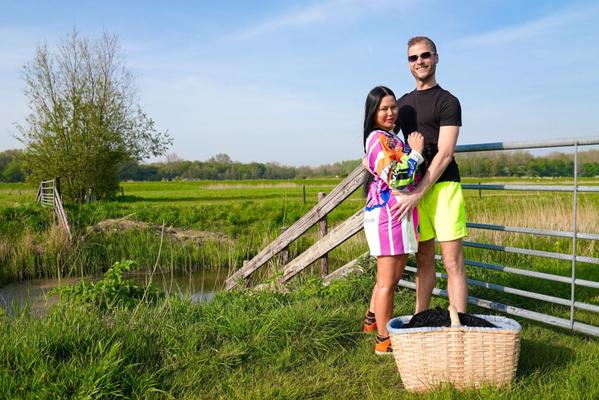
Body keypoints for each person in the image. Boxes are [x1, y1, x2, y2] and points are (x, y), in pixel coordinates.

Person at [391, 36, 468, 314]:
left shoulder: (448, 101)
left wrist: (419, 192)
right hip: (414, 190)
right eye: (413, 58)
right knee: (423, 260)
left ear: (436, 58)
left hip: (443, 187)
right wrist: (368, 155)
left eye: (425, 56)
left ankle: (459, 325)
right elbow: (385, 138)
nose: (420, 62)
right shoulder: (403, 104)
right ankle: (419, 319)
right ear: (408, 64)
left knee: (452, 262)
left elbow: (445, 153)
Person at [361, 85, 424, 354]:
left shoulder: (388, 138)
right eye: (383, 108)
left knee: (388, 278)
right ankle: (383, 342)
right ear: (373, 112)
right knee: (388, 281)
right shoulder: (378, 138)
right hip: (388, 215)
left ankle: (371, 320)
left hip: (395, 214)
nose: (390, 113)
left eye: (393, 107)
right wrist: (417, 153)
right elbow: (397, 177)